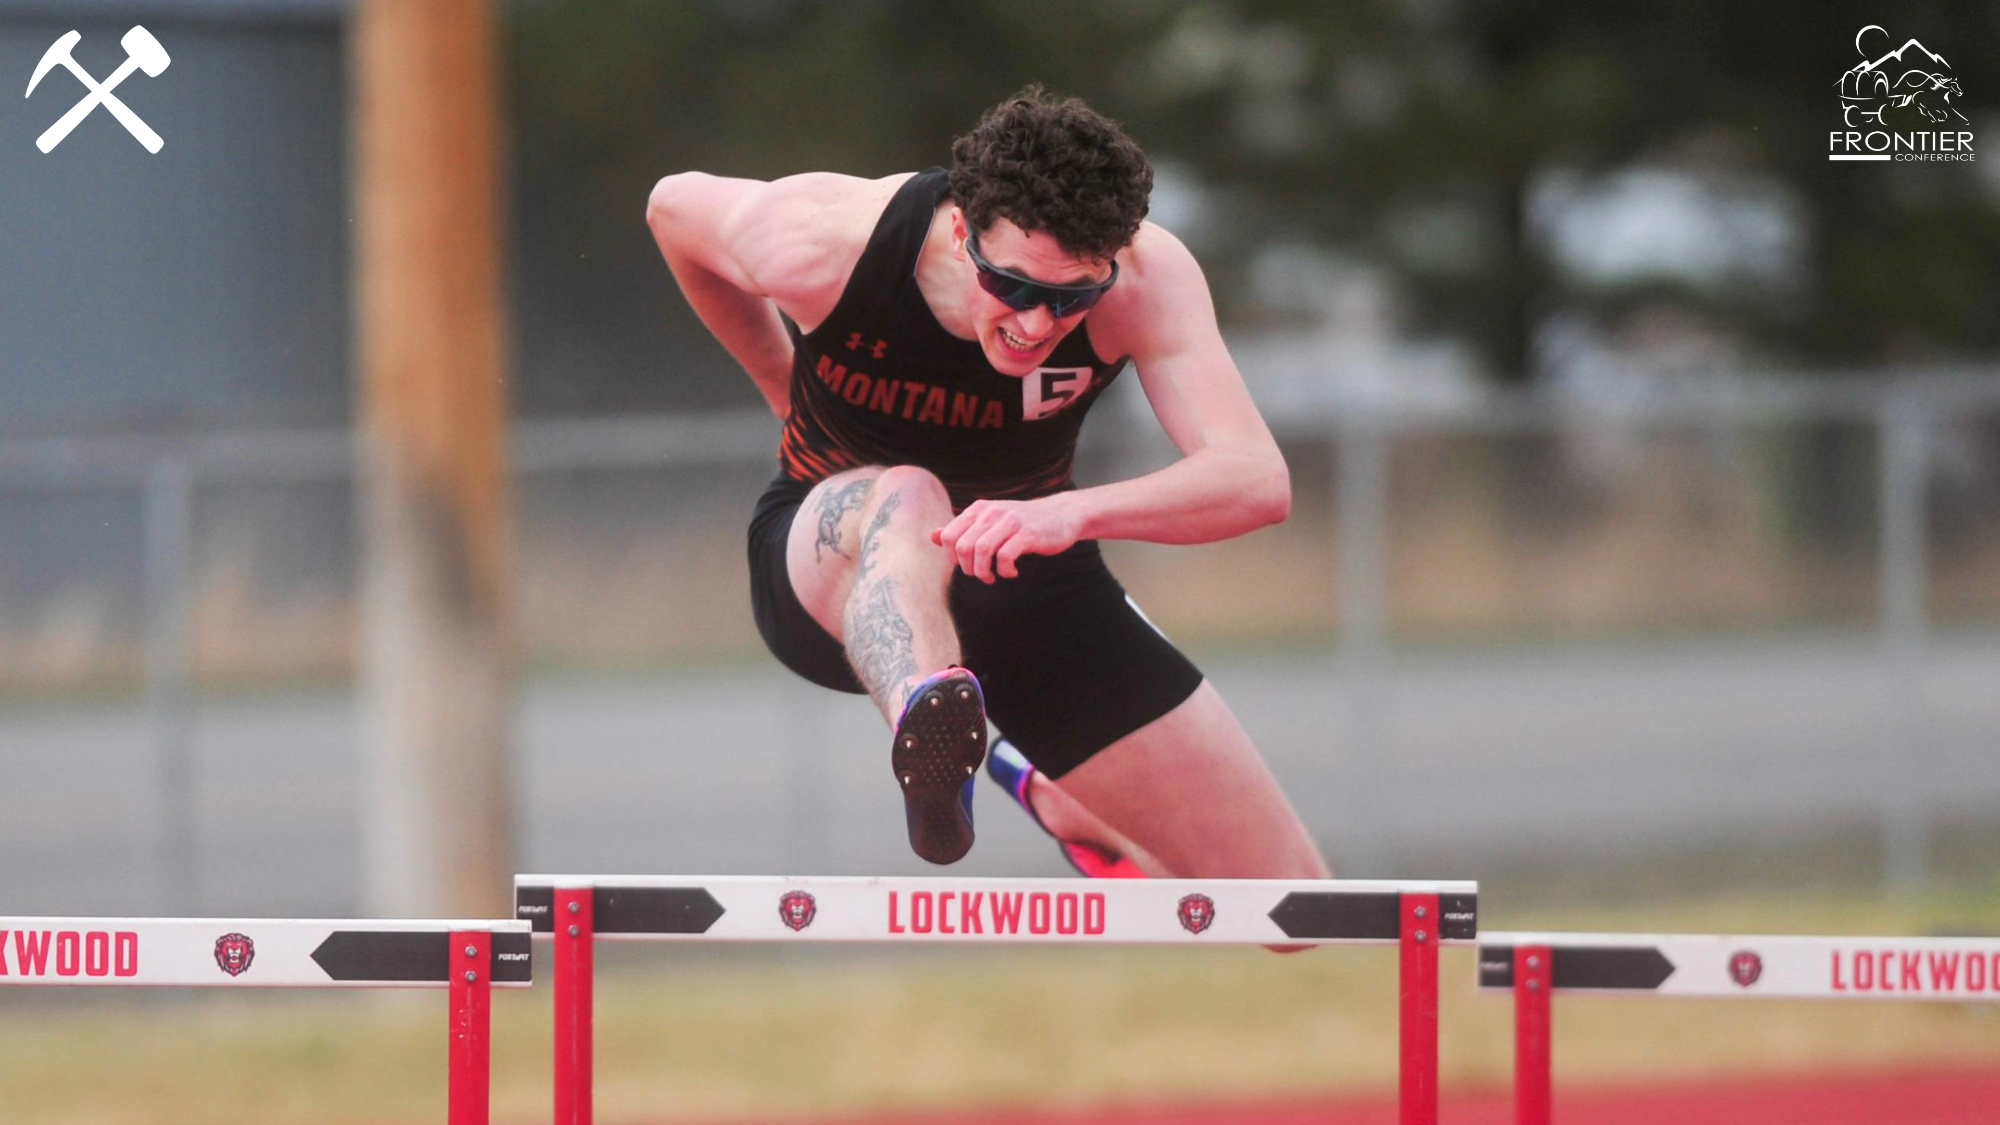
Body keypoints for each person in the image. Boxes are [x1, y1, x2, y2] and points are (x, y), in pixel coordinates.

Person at [647, 86, 1328, 880]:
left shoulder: (1147, 278)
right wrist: (780, 379)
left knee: (1287, 897)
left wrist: (1069, 515)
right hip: (833, 560)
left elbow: (1254, 477)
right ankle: (931, 737)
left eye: (1071, 296)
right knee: (908, 493)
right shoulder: (826, 241)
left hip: (1022, 572)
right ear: (964, 229)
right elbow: (672, 210)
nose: (1036, 324)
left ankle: (1032, 782)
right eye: (1014, 286)